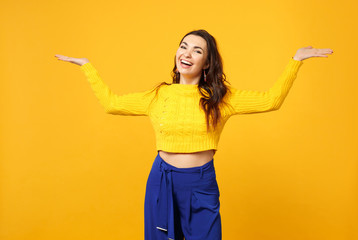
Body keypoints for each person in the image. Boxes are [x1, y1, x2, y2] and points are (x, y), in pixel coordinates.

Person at [55, 29, 333, 240]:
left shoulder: (221, 97)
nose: (186, 53)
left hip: (200, 183)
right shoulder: (159, 95)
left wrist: (296, 60)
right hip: (161, 179)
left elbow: (272, 100)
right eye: (183, 47)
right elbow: (112, 104)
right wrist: (86, 66)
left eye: (197, 51)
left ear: (207, 62)